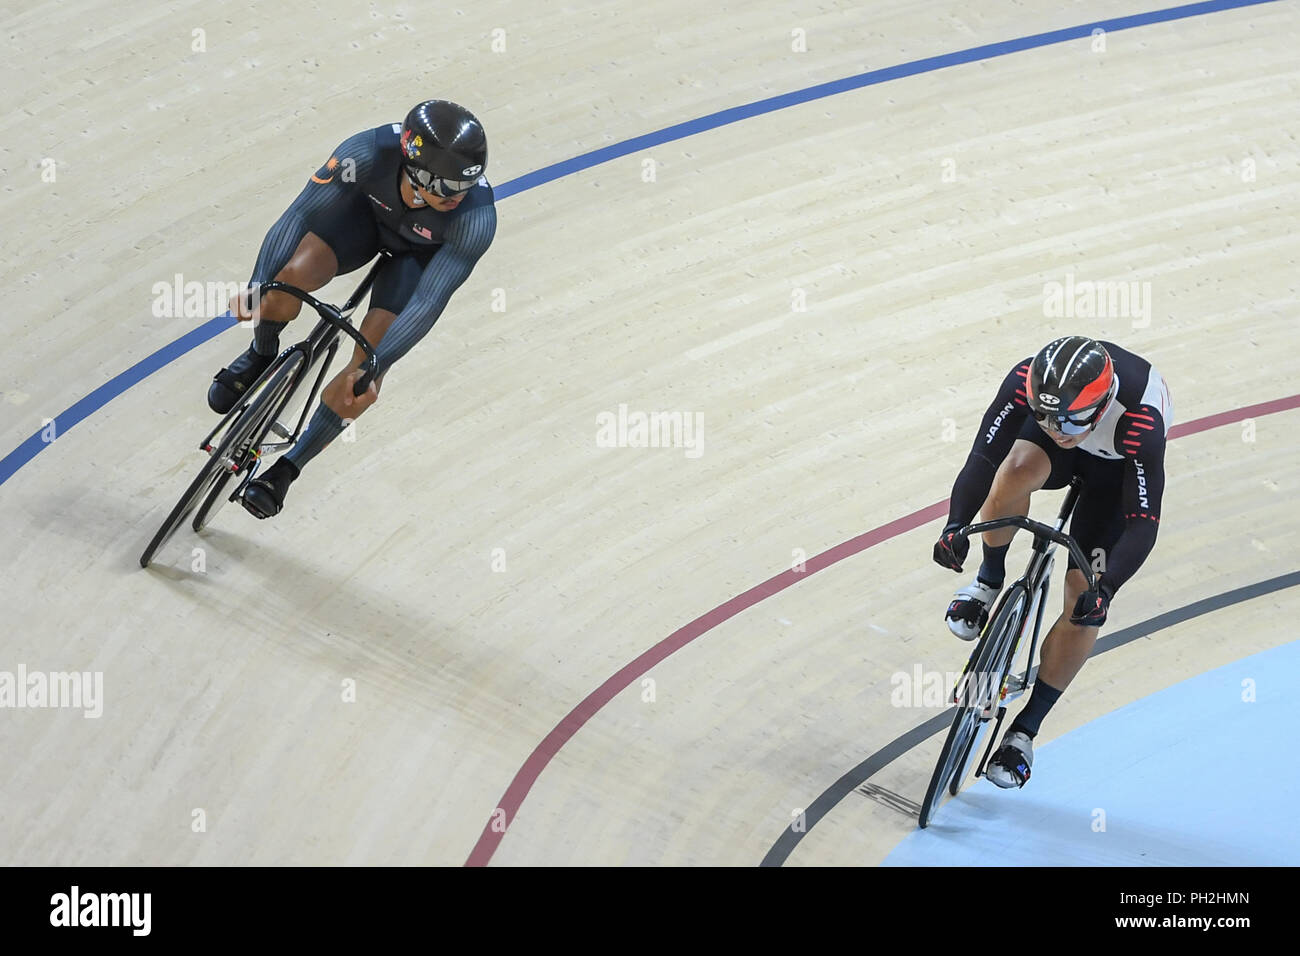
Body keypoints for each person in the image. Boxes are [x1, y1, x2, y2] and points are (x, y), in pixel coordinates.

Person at [207, 99, 497, 518]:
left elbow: (429, 301)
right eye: (448, 186)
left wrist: (374, 366)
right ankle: (261, 353)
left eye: (465, 186)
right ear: (414, 169)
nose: (458, 197)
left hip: (417, 263)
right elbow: (300, 214)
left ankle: (286, 470)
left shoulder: (475, 220)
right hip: (361, 222)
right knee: (285, 283)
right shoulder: (364, 153)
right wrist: (257, 285)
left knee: (359, 384)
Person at [932, 336, 1172, 788]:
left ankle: (1024, 733)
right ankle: (988, 582)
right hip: (1054, 458)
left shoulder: (1140, 421)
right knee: (1014, 468)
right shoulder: (1027, 381)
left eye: (1070, 418)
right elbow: (983, 457)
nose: (1058, 427)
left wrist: (1107, 588)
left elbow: (1143, 523)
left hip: (1114, 474)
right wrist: (955, 524)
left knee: (1084, 604)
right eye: (1045, 416)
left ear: (1100, 406)